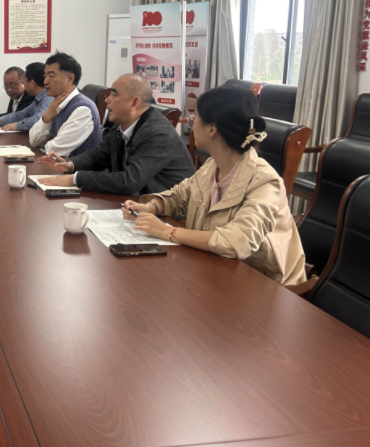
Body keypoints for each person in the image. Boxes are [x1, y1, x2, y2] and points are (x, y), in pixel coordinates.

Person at [122, 85, 306, 285]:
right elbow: (179, 196)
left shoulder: (265, 181)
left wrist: (167, 232)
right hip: (216, 270)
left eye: (195, 117)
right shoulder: (213, 165)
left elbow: (237, 241)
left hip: (266, 285)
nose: (191, 123)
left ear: (212, 129)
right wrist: (150, 207)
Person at [37, 74, 195, 194]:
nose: (107, 100)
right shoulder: (121, 124)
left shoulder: (157, 133)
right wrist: (70, 164)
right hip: (136, 204)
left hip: (169, 217)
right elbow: (98, 155)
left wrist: (75, 179)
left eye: (113, 95)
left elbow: (129, 181)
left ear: (134, 102)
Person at [28, 51, 102, 157]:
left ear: (70, 79)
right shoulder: (57, 104)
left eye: (51, 76)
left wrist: (45, 144)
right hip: (57, 165)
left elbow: (54, 150)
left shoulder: (82, 109)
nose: (45, 81)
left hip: (79, 168)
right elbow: (34, 141)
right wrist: (47, 116)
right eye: (45, 76)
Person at [0, 62, 52, 132]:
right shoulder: (37, 99)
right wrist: (0, 121)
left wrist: (17, 125)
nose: (24, 84)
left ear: (32, 83)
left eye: (24, 81)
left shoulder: (49, 97)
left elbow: (39, 120)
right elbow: (20, 114)